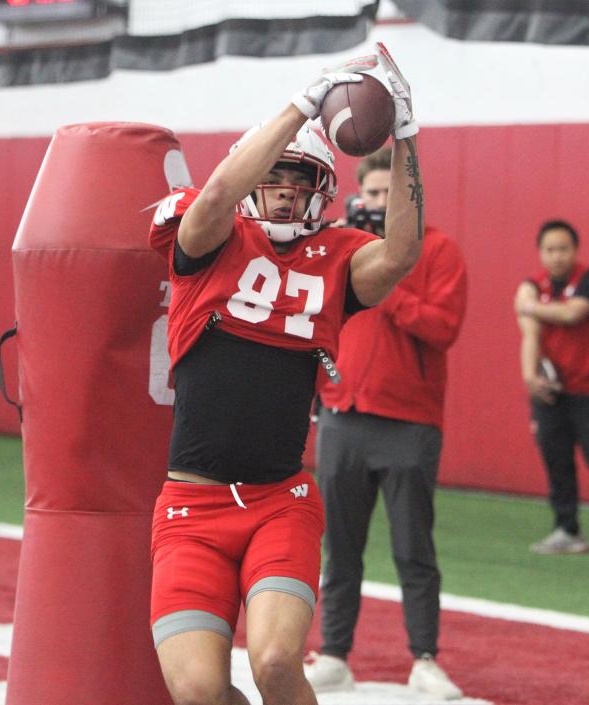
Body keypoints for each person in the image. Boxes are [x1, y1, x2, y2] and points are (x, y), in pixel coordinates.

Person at [147, 45, 424, 705]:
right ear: (253, 175)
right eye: (277, 174)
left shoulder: (335, 259)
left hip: (280, 503)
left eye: (304, 179)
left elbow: (402, 252)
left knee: (275, 662)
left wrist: (406, 135)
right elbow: (216, 194)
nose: (290, 188)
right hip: (191, 506)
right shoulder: (211, 237)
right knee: (197, 692)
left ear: (323, 192)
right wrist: (307, 100)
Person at [303, 146, 468, 699]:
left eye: (386, 195)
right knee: (340, 549)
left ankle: (424, 658)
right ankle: (333, 653)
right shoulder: (341, 248)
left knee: (412, 547)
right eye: (370, 193)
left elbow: (442, 328)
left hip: (408, 422)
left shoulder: (439, 250)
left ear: (406, 199)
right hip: (344, 417)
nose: (375, 203)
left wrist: (388, 277)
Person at [514, 220, 589, 558]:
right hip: (549, 390)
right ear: (541, 252)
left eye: (563, 249)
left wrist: (530, 306)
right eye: (550, 250)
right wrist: (529, 377)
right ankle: (567, 529)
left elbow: (572, 314)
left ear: (574, 250)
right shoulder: (533, 285)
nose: (556, 256)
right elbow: (530, 332)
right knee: (556, 461)